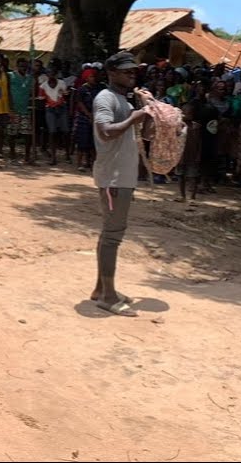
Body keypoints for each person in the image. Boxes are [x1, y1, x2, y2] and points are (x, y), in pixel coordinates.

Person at [90, 50, 150, 317]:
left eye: (133, 71)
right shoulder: (105, 98)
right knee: (112, 236)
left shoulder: (124, 99)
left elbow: (142, 134)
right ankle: (108, 296)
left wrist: (147, 112)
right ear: (111, 73)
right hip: (113, 178)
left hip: (122, 176)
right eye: (126, 71)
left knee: (109, 234)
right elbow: (105, 131)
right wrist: (134, 118)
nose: (132, 75)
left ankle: (100, 289)